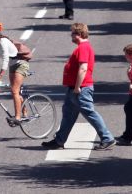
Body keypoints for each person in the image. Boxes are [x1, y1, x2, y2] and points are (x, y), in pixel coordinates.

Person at [41, 23, 115, 151]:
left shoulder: (83, 48)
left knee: (90, 113)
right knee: (68, 115)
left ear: (79, 34)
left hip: (81, 88)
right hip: (74, 88)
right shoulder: (82, 47)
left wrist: (77, 87)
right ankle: (59, 140)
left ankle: (107, 138)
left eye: (73, 33)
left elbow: (83, 68)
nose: (71, 36)